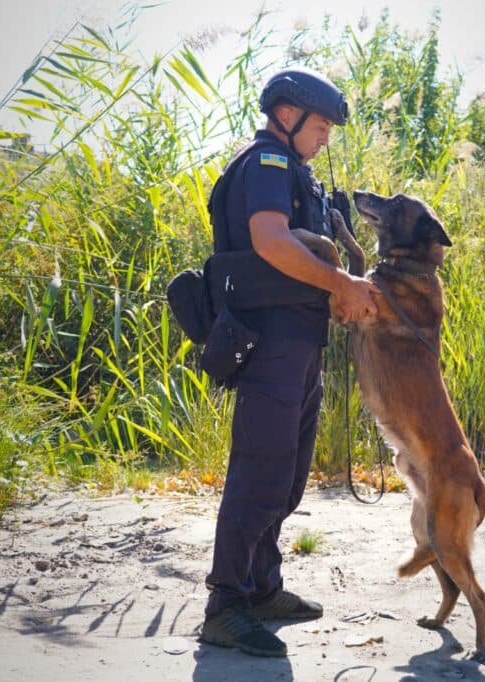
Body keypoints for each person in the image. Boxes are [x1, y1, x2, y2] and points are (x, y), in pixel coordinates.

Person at [198, 67, 378, 658]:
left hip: (300, 345)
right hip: (270, 344)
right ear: (287, 116)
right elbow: (271, 241)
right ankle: (226, 605)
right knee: (259, 474)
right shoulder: (266, 165)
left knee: (288, 476)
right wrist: (341, 284)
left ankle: (263, 587)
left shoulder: (298, 173)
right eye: (321, 125)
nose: (326, 137)